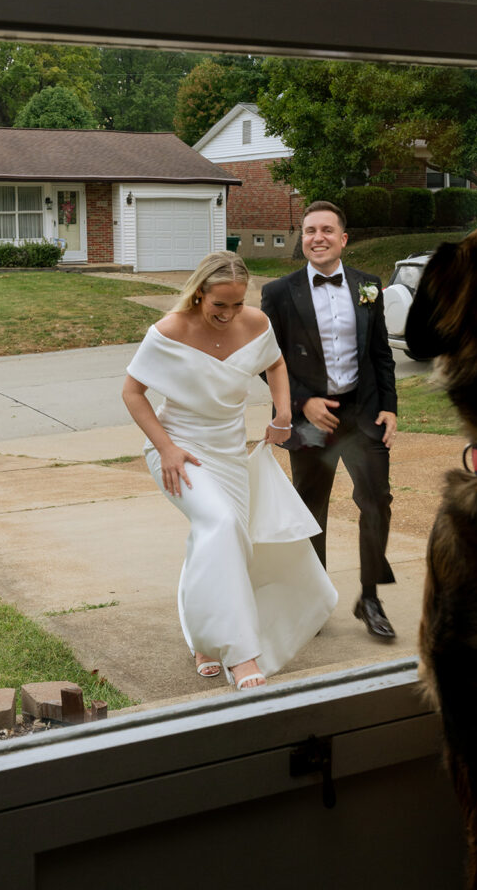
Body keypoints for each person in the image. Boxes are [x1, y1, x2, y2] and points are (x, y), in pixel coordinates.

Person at [123, 251, 337, 690]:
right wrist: (165, 448)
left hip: (229, 453)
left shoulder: (255, 323)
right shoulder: (169, 331)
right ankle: (242, 655)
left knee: (227, 542)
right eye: (219, 304)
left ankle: (206, 638)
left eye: (237, 304)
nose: (228, 313)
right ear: (199, 292)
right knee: (219, 524)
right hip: (179, 449)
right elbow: (132, 393)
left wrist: (282, 414)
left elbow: (275, 363)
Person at [261, 201, 398, 639]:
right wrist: (302, 403)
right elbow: (268, 361)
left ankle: (370, 597)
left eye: (325, 230)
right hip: (309, 421)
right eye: (308, 231)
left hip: (362, 414)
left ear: (343, 238)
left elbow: (381, 353)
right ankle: (315, 600)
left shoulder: (368, 286)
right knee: (310, 511)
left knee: (377, 504)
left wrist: (390, 406)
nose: (316, 237)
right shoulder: (279, 292)